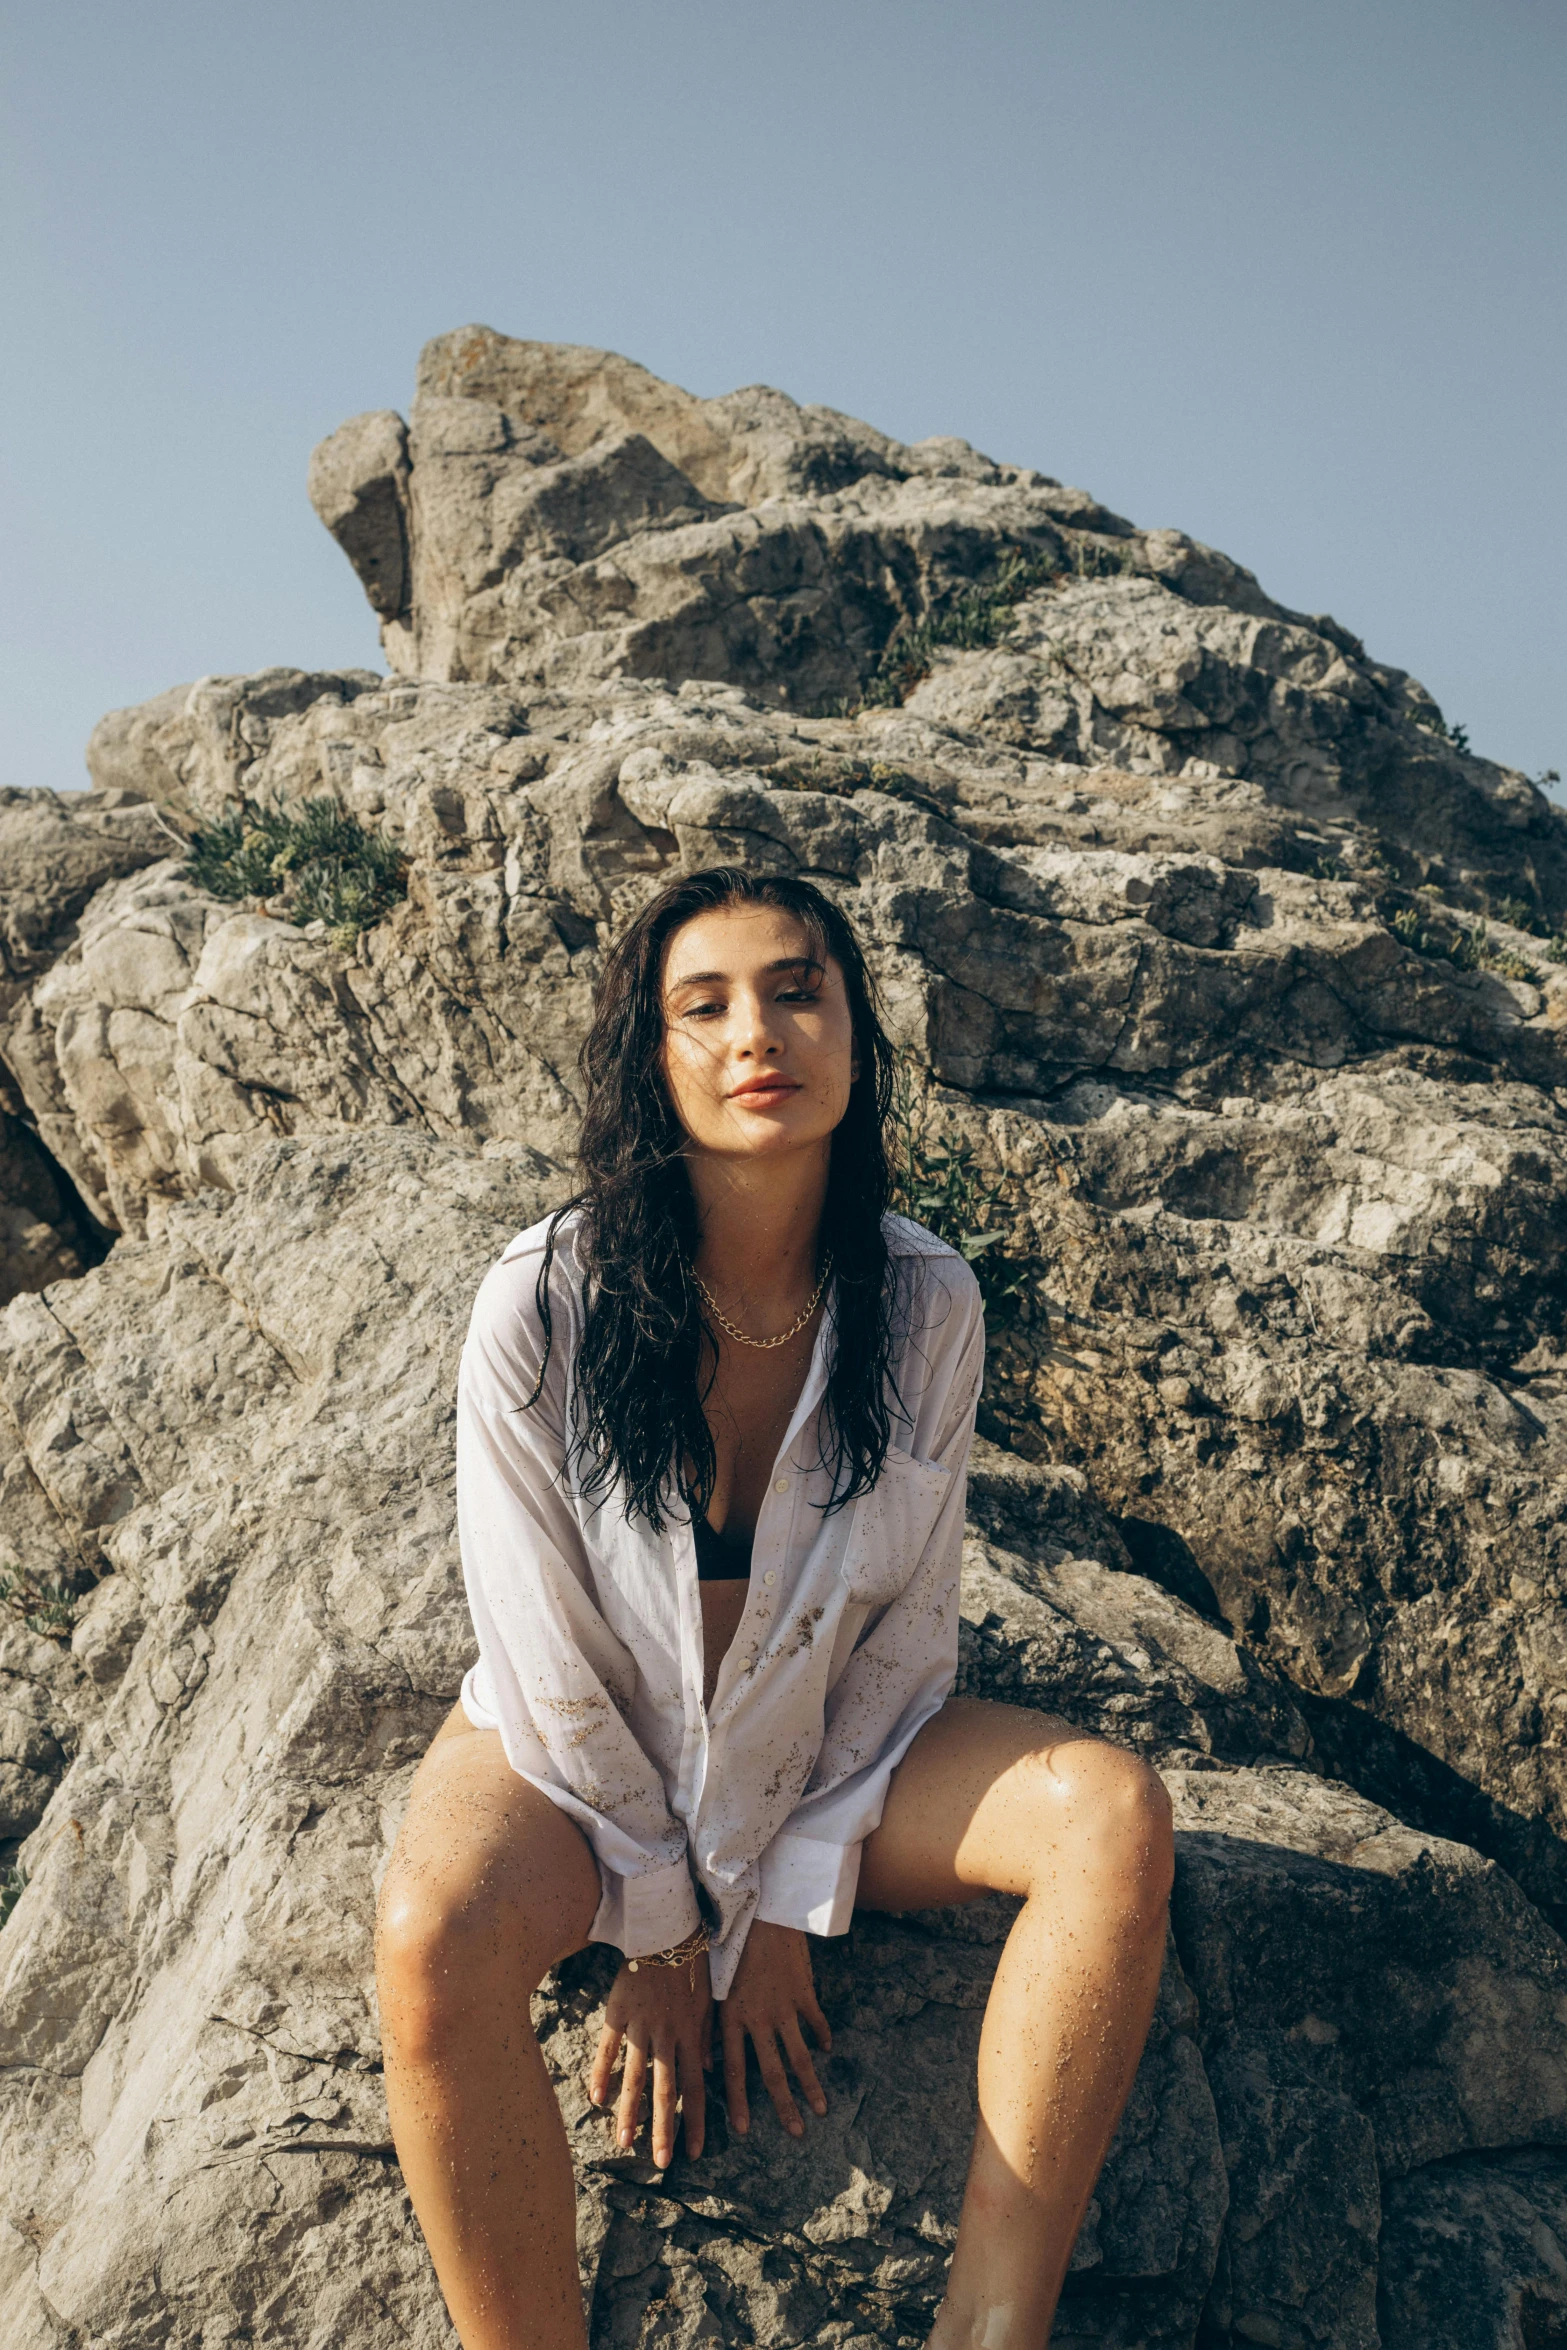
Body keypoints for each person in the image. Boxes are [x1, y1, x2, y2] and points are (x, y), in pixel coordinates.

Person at [374, 867, 1174, 2350]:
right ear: (653, 1056)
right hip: (581, 1764)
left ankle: (988, 2329)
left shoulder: (924, 1298)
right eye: (707, 1003)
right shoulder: (539, 1302)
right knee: (429, 1932)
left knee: (1109, 1814)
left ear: (855, 1035)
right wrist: (672, 1932)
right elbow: (541, 1651)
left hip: (826, 1756)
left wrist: (789, 1887)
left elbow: (907, 1635)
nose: (761, 1031)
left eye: (798, 989)